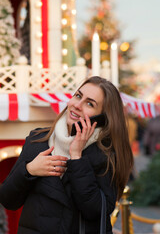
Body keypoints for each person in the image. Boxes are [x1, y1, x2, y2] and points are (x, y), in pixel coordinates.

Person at [0, 76, 133, 234]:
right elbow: (8, 200)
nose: (77, 105)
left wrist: (77, 157)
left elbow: (95, 211)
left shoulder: (107, 155)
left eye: (90, 104)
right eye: (78, 96)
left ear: (103, 117)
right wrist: (29, 170)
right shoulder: (37, 140)